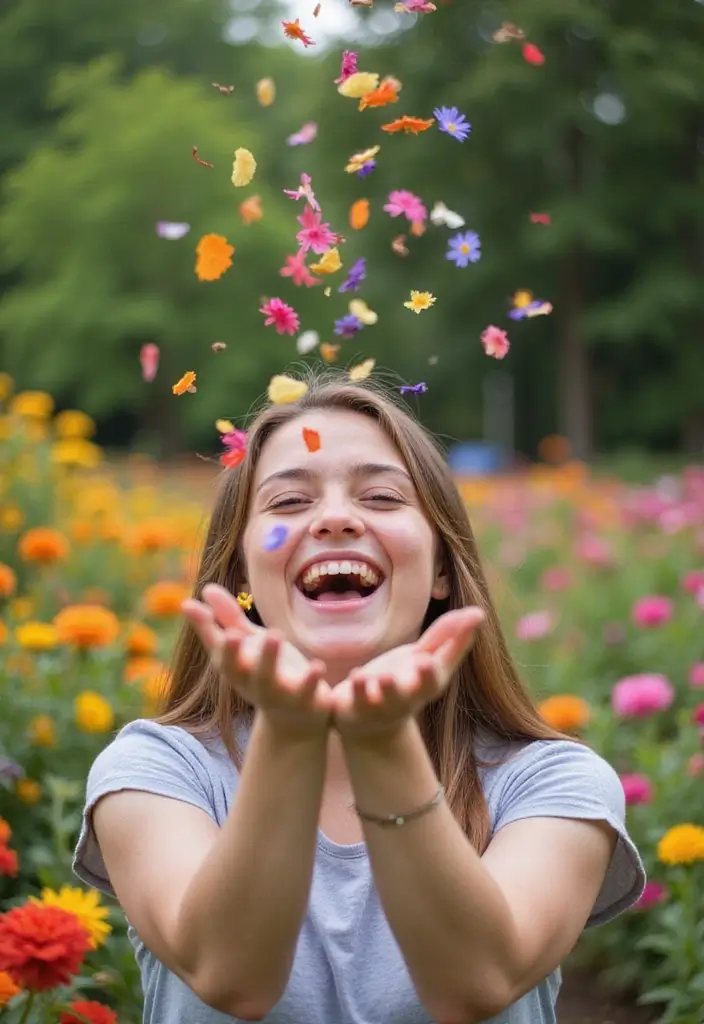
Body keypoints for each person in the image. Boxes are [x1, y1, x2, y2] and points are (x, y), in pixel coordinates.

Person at [73, 371, 646, 1024]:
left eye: (379, 496)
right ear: (242, 577)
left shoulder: (552, 781)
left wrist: (381, 740)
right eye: (288, 503)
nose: (337, 518)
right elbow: (231, 978)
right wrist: (293, 731)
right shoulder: (156, 771)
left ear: (439, 568)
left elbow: (476, 985)